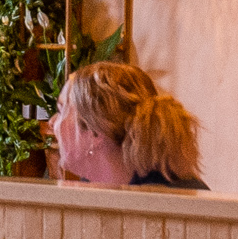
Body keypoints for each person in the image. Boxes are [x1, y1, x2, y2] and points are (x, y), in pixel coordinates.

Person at [53, 61, 206, 190]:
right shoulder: (91, 188)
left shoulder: (177, 199)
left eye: (61, 110)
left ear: (95, 132)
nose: (52, 122)